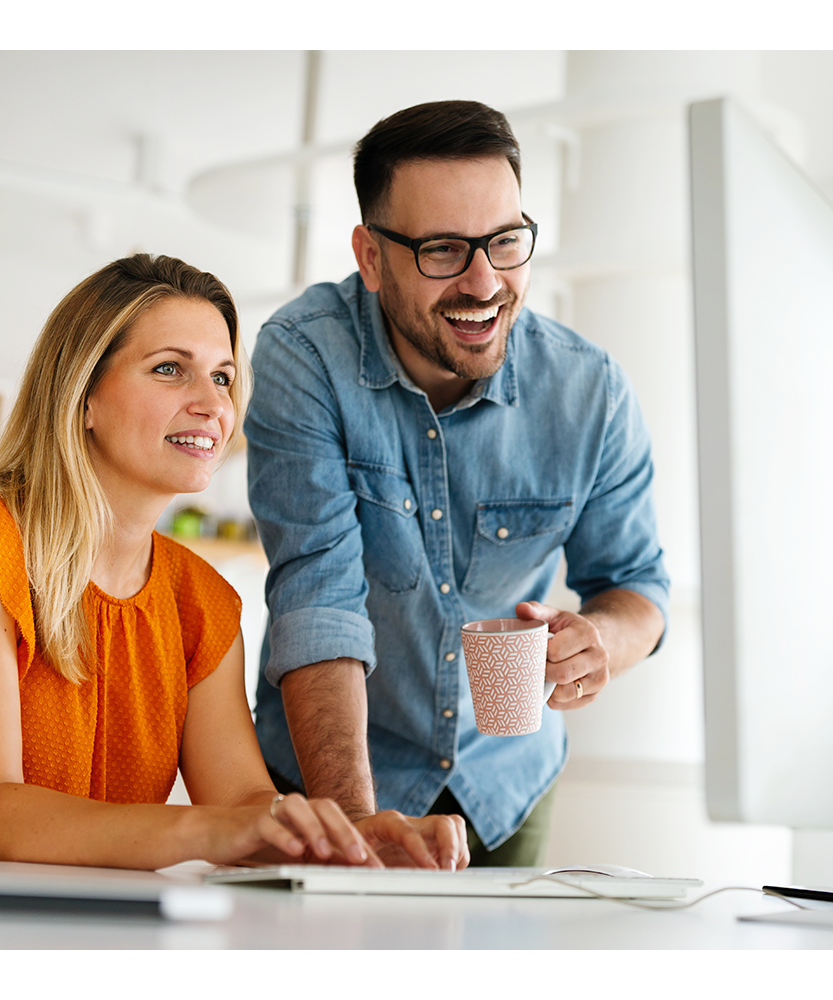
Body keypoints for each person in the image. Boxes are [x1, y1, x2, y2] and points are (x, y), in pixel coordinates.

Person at [0, 254, 468, 871]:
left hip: (85, 920)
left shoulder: (200, 601)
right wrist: (203, 830)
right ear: (83, 395)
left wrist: (343, 839)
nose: (212, 404)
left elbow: (241, 803)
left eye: (223, 377)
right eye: (169, 369)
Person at [245, 101, 670, 866]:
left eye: (504, 241)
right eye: (442, 249)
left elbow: (638, 585)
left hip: (504, 784)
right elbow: (317, 599)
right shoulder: (305, 357)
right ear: (371, 257)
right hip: (329, 774)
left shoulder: (590, 391)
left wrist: (599, 642)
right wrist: (355, 829)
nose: (484, 283)